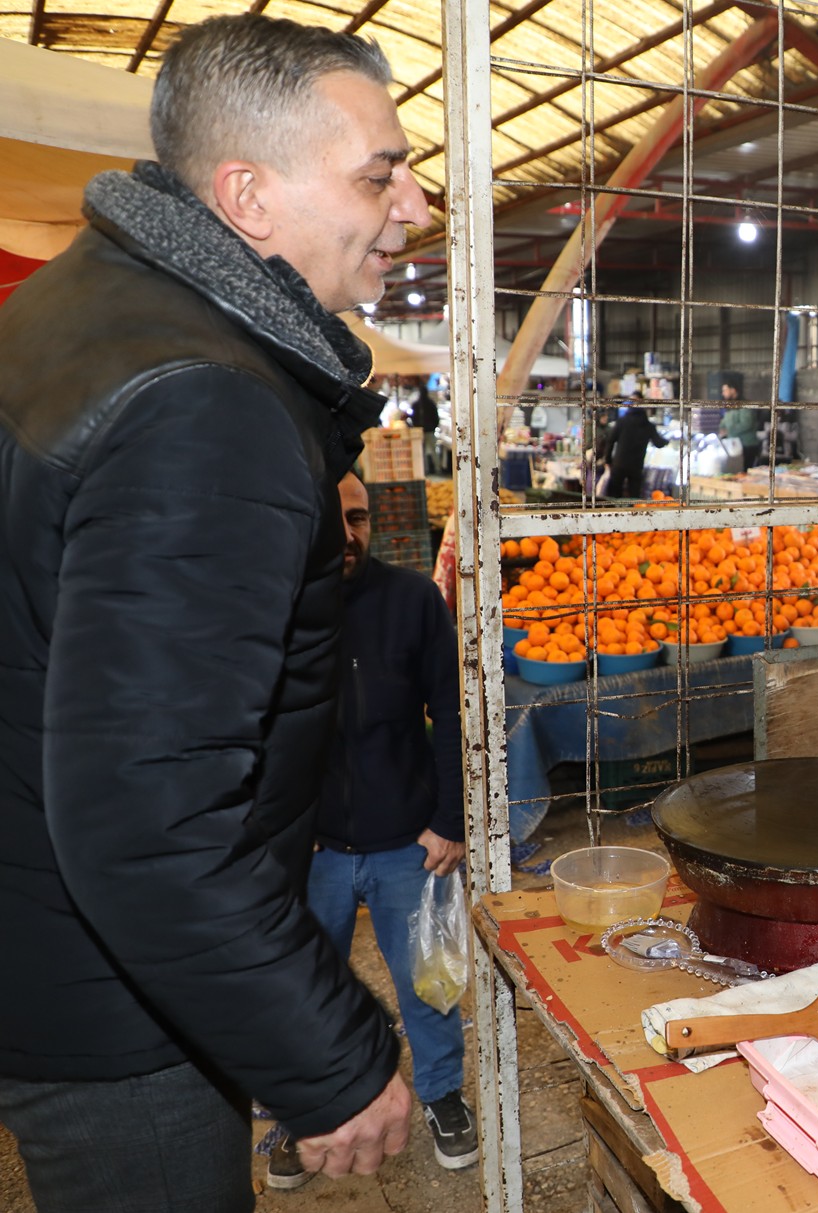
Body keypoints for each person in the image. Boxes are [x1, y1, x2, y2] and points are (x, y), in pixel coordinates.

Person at [0, 14, 428, 1209]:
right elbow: (149, 820)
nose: (412, 210)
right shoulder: (207, 402)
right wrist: (330, 1059)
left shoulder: (77, 306)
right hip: (105, 1005)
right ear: (246, 195)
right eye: (378, 174)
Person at [265, 473, 473, 1188]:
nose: (347, 533)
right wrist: (282, 829)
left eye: (357, 518)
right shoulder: (278, 606)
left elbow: (450, 714)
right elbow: (255, 730)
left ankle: (443, 1094)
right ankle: (301, 1115)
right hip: (314, 848)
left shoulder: (412, 600)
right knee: (300, 987)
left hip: (406, 846)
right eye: (333, 519)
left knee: (429, 982)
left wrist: (449, 822)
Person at [596, 397, 670, 499]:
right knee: (634, 496)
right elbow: (658, 443)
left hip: (619, 463)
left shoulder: (622, 422)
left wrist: (608, 459)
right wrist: (667, 441)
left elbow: (610, 440)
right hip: (636, 466)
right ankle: (634, 512)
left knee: (614, 494)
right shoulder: (648, 425)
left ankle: (615, 512)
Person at [717, 380, 760, 470]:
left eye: (725, 390)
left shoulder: (744, 405)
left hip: (747, 446)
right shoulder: (729, 406)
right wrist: (720, 428)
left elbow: (747, 424)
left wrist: (729, 431)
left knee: (744, 474)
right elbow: (724, 421)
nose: (723, 393)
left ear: (733, 390)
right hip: (734, 446)